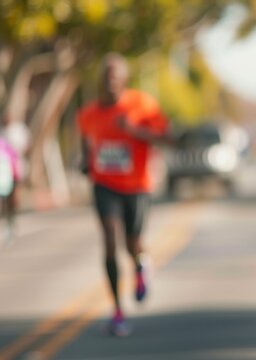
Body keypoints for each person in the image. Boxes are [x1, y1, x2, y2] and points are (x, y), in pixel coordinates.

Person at [77, 53, 171, 337]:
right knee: (108, 238)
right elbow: (86, 143)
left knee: (133, 243)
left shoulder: (142, 105)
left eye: (116, 78)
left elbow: (166, 138)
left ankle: (141, 265)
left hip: (137, 186)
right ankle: (117, 310)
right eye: (106, 78)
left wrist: (133, 130)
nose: (111, 83)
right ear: (101, 81)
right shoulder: (89, 113)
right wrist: (85, 161)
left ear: (124, 80)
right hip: (104, 184)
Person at [0, 111, 30, 245]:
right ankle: (7, 225)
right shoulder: (2, 136)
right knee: (4, 202)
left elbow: (22, 151)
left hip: (11, 175)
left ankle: (11, 224)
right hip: (3, 177)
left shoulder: (17, 132)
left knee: (11, 201)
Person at [0, 136, 19, 247]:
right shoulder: (7, 147)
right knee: (7, 206)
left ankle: (9, 227)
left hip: (8, 180)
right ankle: (9, 226)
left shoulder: (6, 147)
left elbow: (14, 162)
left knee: (8, 206)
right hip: (8, 181)